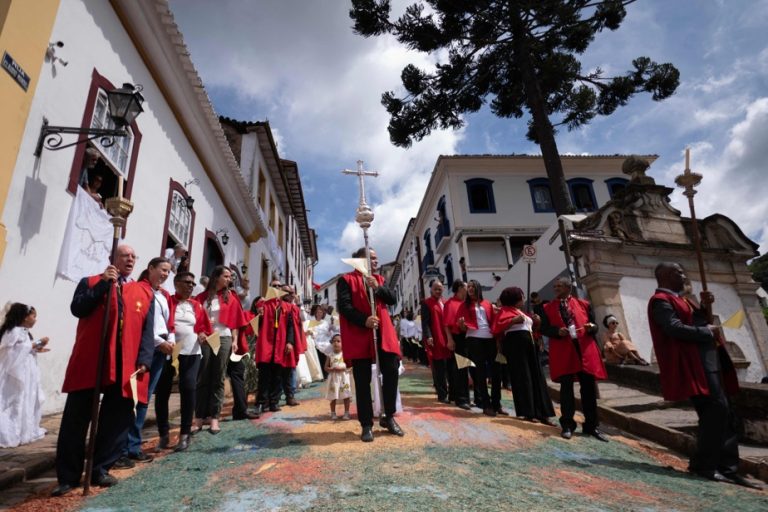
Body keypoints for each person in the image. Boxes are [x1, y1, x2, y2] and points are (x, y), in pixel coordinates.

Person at [53, 245, 155, 495]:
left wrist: (144, 359)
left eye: (134, 256)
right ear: (113, 259)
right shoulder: (91, 282)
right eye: (125, 255)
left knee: (116, 420)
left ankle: (100, 468)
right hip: (92, 359)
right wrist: (102, 286)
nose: (130, 259)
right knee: (76, 420)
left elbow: (147, 332)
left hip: (125, 362)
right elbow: (78, 309)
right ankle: (68, 476)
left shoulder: (143, 292)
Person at [647, 263, 759, 489]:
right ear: (667, 276)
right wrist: (706, 331)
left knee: (725, 414)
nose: (684, 276)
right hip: (695, 365)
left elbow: (698, 320)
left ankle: (729, 468)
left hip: (710, 360)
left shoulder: (684, 300)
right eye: (679, 272)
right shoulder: (660, 301)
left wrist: (705, 305)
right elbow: (674, 328)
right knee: (714, 411)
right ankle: (704, 465)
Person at [337, 247, 403, 442]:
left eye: (376, 258)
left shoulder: (379, 280)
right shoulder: (346, 280)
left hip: (384, 334)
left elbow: (391, 299)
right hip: (360, 334)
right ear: (360, 260)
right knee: (362, 380)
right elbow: (344, 307)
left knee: (391, 370)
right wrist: (364, 320)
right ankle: (366, 424)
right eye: (372, 258)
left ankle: (388, 416)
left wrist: (378, 288)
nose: (376, 261)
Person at [117, 257, 174, 465]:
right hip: (147, 350)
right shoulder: (139, 289)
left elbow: (168, 323)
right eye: (163, 269)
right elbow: (143, 324)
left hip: (161, 350)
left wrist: (170, 340)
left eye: (168, 271)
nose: (166, 274)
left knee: (144, 399)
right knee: (134, 398)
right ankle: (123, 446)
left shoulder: (164, 295)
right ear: (151, 268)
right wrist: (159, 342)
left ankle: (133, 445)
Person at [540, 277, 608, 442]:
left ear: (568, 288)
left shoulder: (583, 304)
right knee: (566, 389)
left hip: (584, 349)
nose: (556, 289)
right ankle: (567, 425)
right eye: (555, 286)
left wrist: (592, 327)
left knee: (588, 390)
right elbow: (544, 328)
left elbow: (594, 325)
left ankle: (592, 426)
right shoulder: (547, 307)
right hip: (565, 351)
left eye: (559, 286)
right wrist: (557, 331)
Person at [157, 271, 212, 452]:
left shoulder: (197, 306)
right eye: (187, 282)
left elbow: (205, 328)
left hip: (191, 352)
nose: (191, 285)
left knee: (188, 388)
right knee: (163, 391)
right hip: (169, 351)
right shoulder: (167, 302)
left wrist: (203, 333)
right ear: (176, 283)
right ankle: (163, 434)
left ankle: (184, 434)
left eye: (192, 283)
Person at [194, 265, 246, 434]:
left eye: (230, 276)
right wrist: (200, 331)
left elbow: (236, 321)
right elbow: (194, 318)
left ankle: (214, 417)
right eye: (226, 276)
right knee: (203, 377)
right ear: (216, 277)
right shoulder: (202, 297)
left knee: (218, 377)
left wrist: (235, 340)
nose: (229, 279)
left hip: (223, 337)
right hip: (206, 338)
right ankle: (200, 417)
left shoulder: (231, 297)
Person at [492, 287, 556, 425]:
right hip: (515, 346)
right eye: (521, 297)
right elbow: (497, 328)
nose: (523, 299)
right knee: (523, 377)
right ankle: (528, 411)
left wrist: (536, 322)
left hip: (529, 345)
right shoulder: (505, 311)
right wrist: (513, 321)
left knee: (536, 376)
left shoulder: (521, 312)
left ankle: (543, 412)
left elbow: (530, 328)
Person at [0, 303, 48, 447]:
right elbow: (10, 352)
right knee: (13, 401)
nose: (35, 319)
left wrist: (35, 349)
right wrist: (38, 342)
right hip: (14, 375)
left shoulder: (24, 332)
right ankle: (11, 431)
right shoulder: (14, 332)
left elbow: (24, 349)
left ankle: (21, 431)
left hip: (26, 373)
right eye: (33, 316)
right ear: (25, 317)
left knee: (25, 399)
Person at [457, 280, 503, 417]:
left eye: (472, 286)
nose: (470, 288)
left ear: (478, 288)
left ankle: (497, 403)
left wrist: (497, 340)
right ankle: (486, 405)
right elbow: (461, 326)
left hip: (489, 338)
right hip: (474, 339)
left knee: (496, 371)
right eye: (468, 287)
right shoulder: (464, 306)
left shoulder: (488, 304)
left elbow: (494, 321)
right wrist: (462, 326)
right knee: (480, 372)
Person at [254, 281, 297, 413]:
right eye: (275, 286)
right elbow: (254, 322)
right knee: (264, 376)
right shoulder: (263, 304)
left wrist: (290, 342)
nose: (277, 288)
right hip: (266, 344)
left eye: (279, 286)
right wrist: (258, 315)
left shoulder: (287, 307)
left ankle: (274, 402)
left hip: (280, 345)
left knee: (278, 375)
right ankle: (262, 402)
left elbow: (291, 326)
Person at [422, 280, 453, 404]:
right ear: (431, 289)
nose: (438, 291)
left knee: (450, 368)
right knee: (439, 368)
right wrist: (428, 336)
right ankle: (442, 394)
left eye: (440, 289)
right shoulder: (426, 303)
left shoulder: (446, 303)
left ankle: (453, 394)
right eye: (435, 288)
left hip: (448, 338)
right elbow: (425, 323)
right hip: (436, 338)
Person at [443, 280, 470, 410]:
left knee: (463, 367)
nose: (468, 289)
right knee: (461, 368)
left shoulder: (467, 303)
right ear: (460, 288)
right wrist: (449, 339)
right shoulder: (450, 304)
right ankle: (462, 399)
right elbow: (447, 324)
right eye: (466, 287)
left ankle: (457, 395)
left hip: (468, 337)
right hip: (457, 338)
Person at [325, 333, 352, 420]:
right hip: (334, 378)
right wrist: (332, 370)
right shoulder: (330, 355)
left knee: (346, 395)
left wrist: (344, 369)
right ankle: (333, 413)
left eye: (338, 341)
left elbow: (351, 366)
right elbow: (325, 368)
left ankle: (347, 413)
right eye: (334, 341)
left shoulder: (345, 354)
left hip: (344, 378)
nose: (336, 343)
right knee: (333, 395)